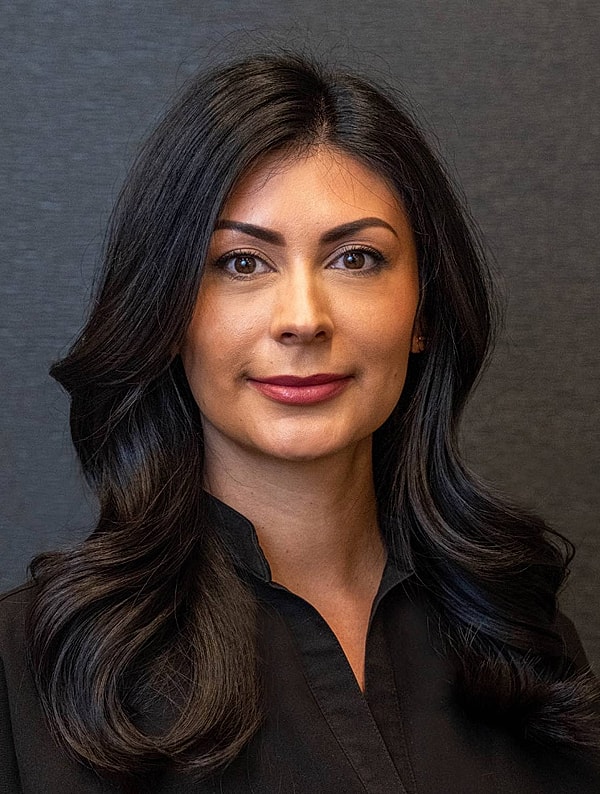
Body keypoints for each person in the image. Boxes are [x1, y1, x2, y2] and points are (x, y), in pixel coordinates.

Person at [1, 51, 599, 794]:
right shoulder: (27, 670)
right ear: (169, 312)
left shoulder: (524, 644)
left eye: (356, 258)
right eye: (242, 263)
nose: (303, 320)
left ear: (424, 309)